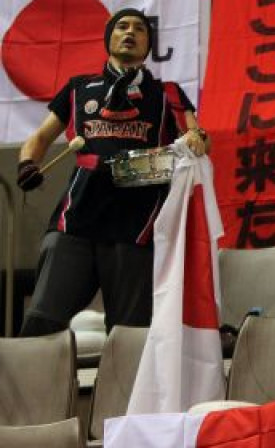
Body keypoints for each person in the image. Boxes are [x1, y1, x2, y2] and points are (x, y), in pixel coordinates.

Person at [15, 8, 208, 336]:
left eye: (139, 29)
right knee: (41, 323)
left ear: (149, 44)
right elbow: (40, 137)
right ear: (109, 38)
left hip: (137, 226)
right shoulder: (78, 88)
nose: (130, 32)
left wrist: (196, 137)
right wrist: (27, 163)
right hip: (76, 219)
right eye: (122, 26)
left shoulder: (168, 94)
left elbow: (199, 138)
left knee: (129, 336)